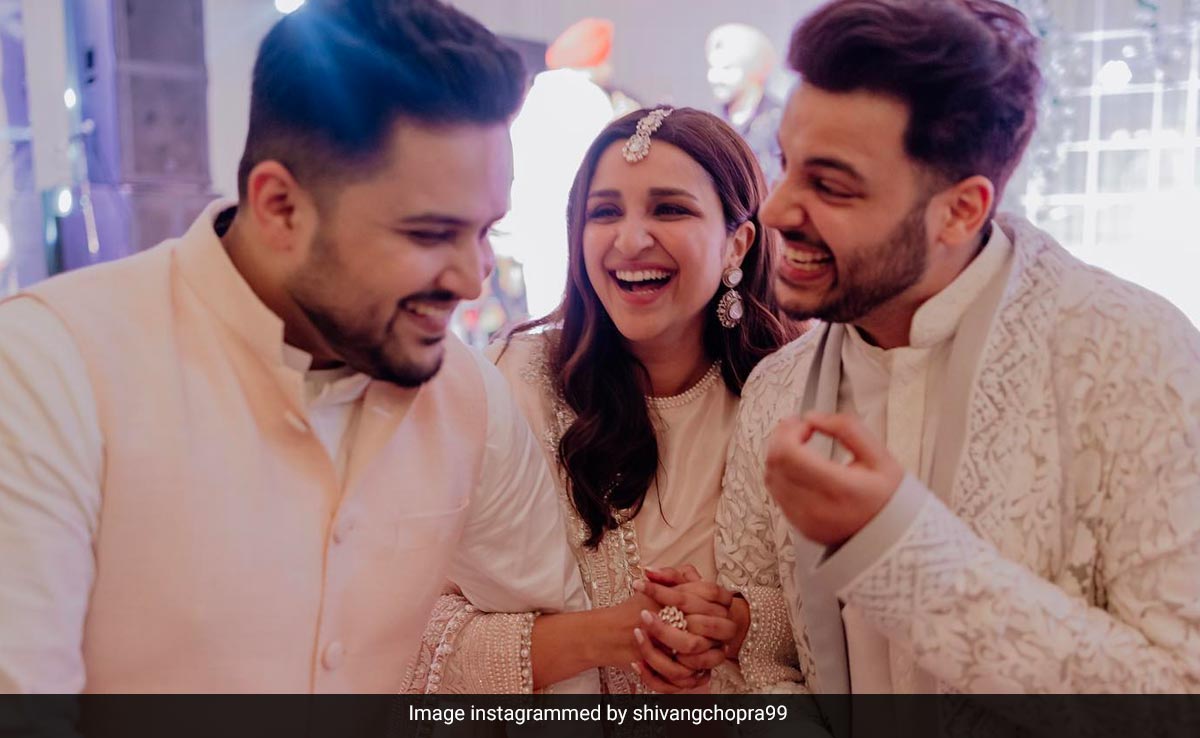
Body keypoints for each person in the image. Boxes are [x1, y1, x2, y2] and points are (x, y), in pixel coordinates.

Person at [0, 0, 594, 696]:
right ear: (280, 206)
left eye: (485, 229)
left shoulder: (467, 395)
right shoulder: (51, 367)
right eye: (430, 235)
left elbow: (560, 638)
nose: (471, 278)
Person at [698, 0, 1200, 719]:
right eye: (785, 163)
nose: (775, 210)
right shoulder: (779, 387)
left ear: (962, 211)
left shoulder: (1137, 356)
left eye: (831, 185)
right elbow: (764, 653)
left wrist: (893, 547)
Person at [404, 107, 803, 694]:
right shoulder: (513, 384)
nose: (630, 239)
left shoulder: (791, 403)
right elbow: (408, 636)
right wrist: (608, 636)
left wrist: (738, 629)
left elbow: (835, 640)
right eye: (604, 212)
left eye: (670, 209)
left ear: (736, 244)